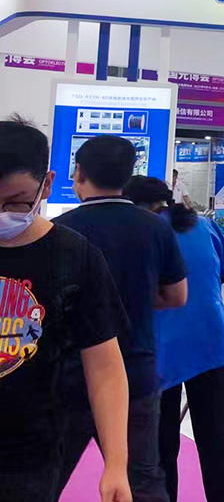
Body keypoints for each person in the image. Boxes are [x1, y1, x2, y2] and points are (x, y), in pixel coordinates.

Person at [0, 118, 131, 502]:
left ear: (47, 184)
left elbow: (105, 367)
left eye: (16, 202)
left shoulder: (74, 256)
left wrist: (117, 463)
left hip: (31, 454)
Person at [55, 136, 189, 502]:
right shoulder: (155, 227)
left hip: (70, 372)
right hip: (135, 370)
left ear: (78, 173)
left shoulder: (61, 230)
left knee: (46, 476)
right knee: (141, 480)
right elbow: (177, 295)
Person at [124, 177, 224, 502]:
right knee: (216, 435)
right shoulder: (204, 225)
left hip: (161, 351)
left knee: (162, 441)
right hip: (211, 344)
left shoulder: (141, 233)